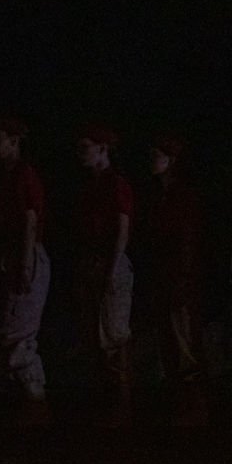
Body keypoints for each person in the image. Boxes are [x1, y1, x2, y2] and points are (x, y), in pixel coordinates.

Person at [0, 118, 51, 429]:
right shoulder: (7, 176)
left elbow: (29, 220)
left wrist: (25, 264)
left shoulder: (23, 174)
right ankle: (25, 401)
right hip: (14, 254)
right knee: (10, 327)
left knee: (19, 330)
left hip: (26, 254)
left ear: (14, 141)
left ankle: (35, 402)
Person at [73, 124, 136, 427]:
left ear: (103, 149)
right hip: (92, 259)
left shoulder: (115, 184)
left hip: (109, 260)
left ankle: (121, 404)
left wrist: (112, 268)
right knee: (93, 332)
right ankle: (105, 401)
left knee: (113, 331)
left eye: (86, 147)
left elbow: (122, 228)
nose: (81, 153)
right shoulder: (91, 186)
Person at [146, 135, 208, 427]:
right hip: (163, 277)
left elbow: (187, 241)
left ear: (171, 160)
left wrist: (182, 279)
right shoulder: (160, 196)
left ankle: (195, 405)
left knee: (183, 341)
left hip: (177, 279)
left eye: (156, 155)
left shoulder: (182, 197)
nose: (151, 160)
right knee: (169, 341)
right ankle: (180, 402)